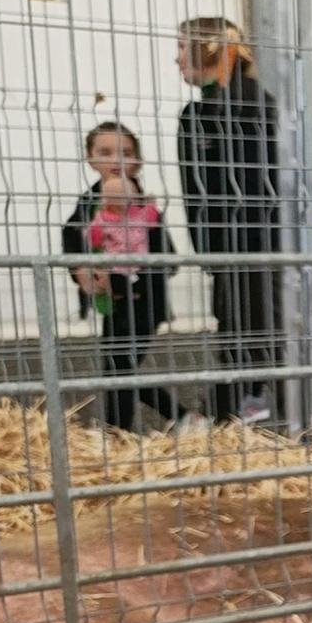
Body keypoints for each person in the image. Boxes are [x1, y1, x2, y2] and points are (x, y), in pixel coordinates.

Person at [177, 16, 280, 425]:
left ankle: (240, 408)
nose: (176, 58)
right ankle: (236, 407)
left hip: (259, 248)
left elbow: (268, 186)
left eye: (184, 47)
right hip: (225, 251)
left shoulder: (259, 106)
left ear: (216, 50)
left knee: (254, 330)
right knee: (234, 329)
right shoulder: (196, 114)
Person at [60, 121, 180, 433]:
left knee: (120, 367)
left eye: (126, 153)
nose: (117, 160)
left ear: (138, 162)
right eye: (106, 152)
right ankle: (118, 432)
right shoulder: (88, 204)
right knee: (117, 366)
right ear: (90, 158)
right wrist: (82, 271)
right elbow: (72, 241)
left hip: (144, 302)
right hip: (110, 302)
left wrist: (136, 272)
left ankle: (177, 418)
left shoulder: (145, 207)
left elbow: (168, 257)